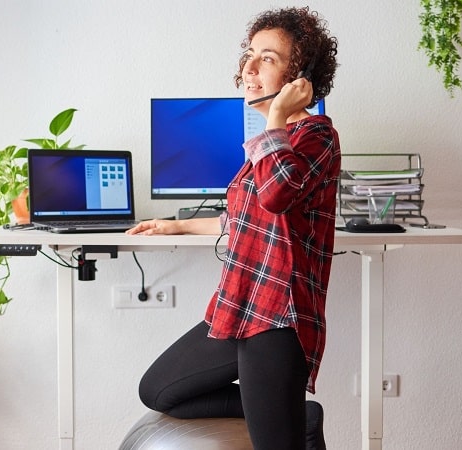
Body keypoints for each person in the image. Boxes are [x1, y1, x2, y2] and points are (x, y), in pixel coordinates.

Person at [126, 7, 339, 450]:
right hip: (238, 304)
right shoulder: (269, 145)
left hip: (278, 313)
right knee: (158, 390)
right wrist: (177, 227)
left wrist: (276, 118)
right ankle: (293, 411)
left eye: (268, 58)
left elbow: (279, 195)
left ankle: (286, 413)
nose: (249, 67)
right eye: (249, 54)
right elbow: (247, 215)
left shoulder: (317, 137)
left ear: (300, 76)